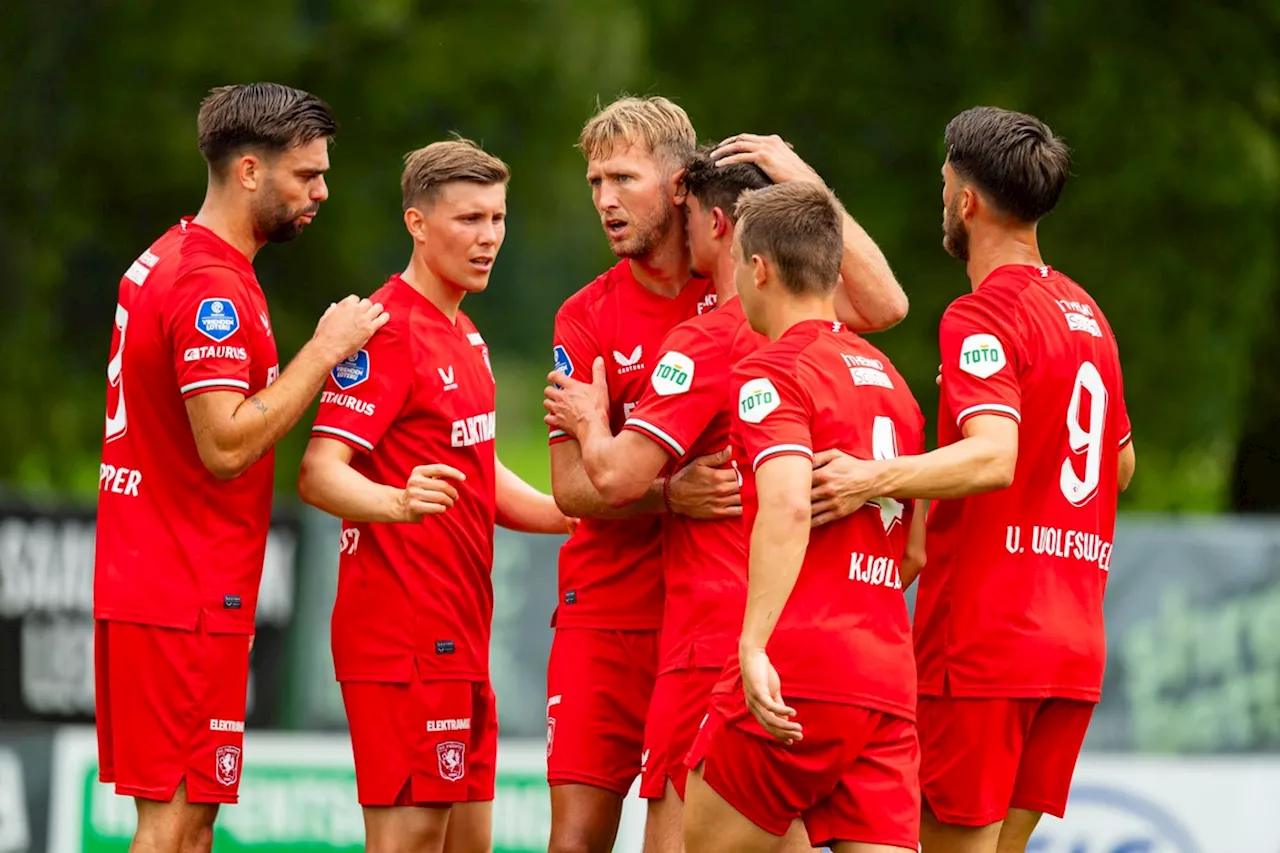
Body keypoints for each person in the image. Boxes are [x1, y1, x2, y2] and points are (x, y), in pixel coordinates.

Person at [808, 106, 1136, 853]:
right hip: (1074, 644)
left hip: (987, 644)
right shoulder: (1088, 312)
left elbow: (994, 456)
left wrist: (869, 477)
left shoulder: (981, 314)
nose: (943, 198)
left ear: (967, 201)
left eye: (943, 182)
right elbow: (1118, 463)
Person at [93, 82, 387, 853]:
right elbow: (223, 444)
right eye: (307, 175)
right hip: (177, 586)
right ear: (250, 171)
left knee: (191, 822)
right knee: (172, 822)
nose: (321, 191)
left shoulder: (177, 255)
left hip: (167, 580)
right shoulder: (209, 283)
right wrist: (324, 351)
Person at [296, 138, 570, 853]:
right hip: (402, 638)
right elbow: (320, 470)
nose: (489, 239)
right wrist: (396, 502)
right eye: (469, 219)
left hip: (461, 639)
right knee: (410, 842)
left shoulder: (467, 333)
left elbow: (480, 477)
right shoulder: (386, 331)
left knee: (469, 842)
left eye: (498, 218)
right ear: (417, 223)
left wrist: (580, 509)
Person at [682, 181, 926, 853]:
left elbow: (789, 501)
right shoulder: (893, 382)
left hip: (799, 662)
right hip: (884, 677)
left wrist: (754, 643)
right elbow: (914, 552)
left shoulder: (773, 371)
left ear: (756, 269)